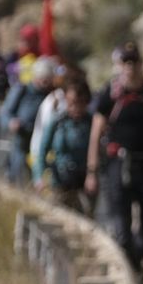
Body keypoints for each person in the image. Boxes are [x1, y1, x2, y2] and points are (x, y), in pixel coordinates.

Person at [87, 42, 143, 271]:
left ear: (142, 63)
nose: (130, 67)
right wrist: (91, 171)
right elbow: (96, 132)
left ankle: (137, 262)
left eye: (134, 61)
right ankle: (132, 271)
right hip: (118, 166)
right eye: (125, 61)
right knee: (121, 229)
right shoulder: (110, 93)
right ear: (119, 65)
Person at [35, 78, 95, 214]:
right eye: (71, 103)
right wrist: (39, 177)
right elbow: (42, 150)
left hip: (84, 182)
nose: (75, 108)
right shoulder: (57, 122)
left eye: (80, 103)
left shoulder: (92, 123)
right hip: (60, 181)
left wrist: (93, 174)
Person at [4, 57, 56, 186]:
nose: (45, 82)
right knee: (20, 177)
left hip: (42, 145)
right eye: (43, 78)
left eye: (48, 79)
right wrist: (11, 122)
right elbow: (6, 112)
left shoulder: (52, 95)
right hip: (22, 142)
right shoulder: (22, 90)